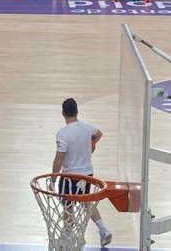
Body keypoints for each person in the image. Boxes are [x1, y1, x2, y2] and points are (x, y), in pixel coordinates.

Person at [51, 97, 112, 248]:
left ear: (63, 113)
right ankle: (103, 230)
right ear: (77, 112)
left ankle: (66, 237)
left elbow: (59, 160)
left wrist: (53, 179)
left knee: (68, 206)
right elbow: (99, 134)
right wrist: (91, 146)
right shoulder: (87, 128)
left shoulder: (63, 134)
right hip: (87, 174)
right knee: (86, 203)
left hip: (70, 176)